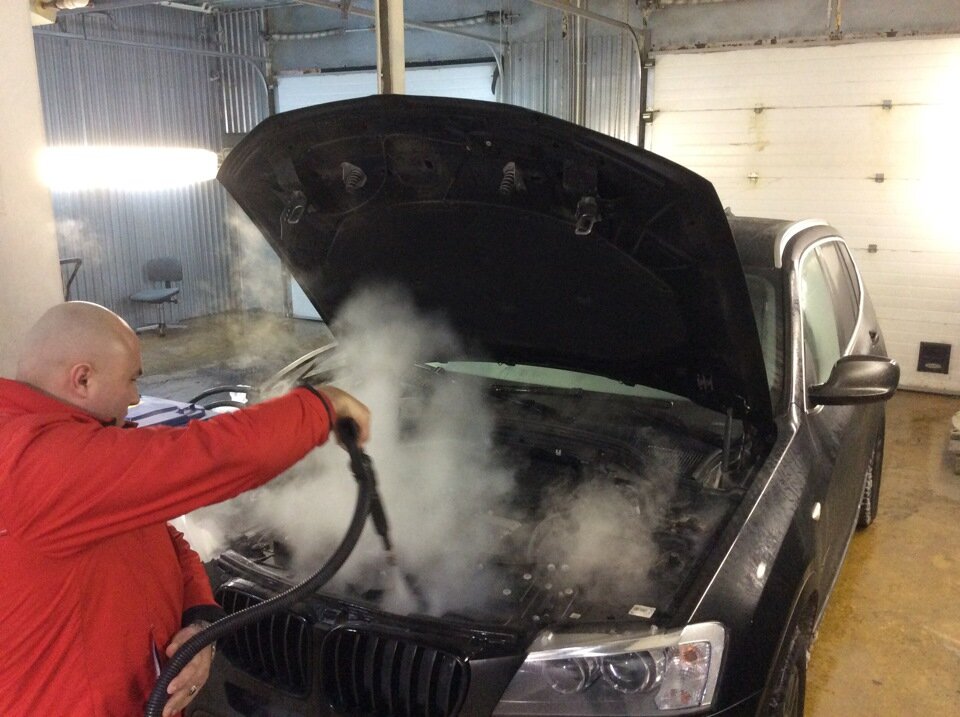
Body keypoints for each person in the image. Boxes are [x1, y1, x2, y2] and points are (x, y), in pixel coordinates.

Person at [0, 301, 371, 717]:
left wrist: (199, 621)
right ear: (82, 379)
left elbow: (163, 538)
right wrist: (320, 407)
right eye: (132, 380)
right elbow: (210, 455)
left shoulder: (72, 456)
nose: (136, 397)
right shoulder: (29, 463)